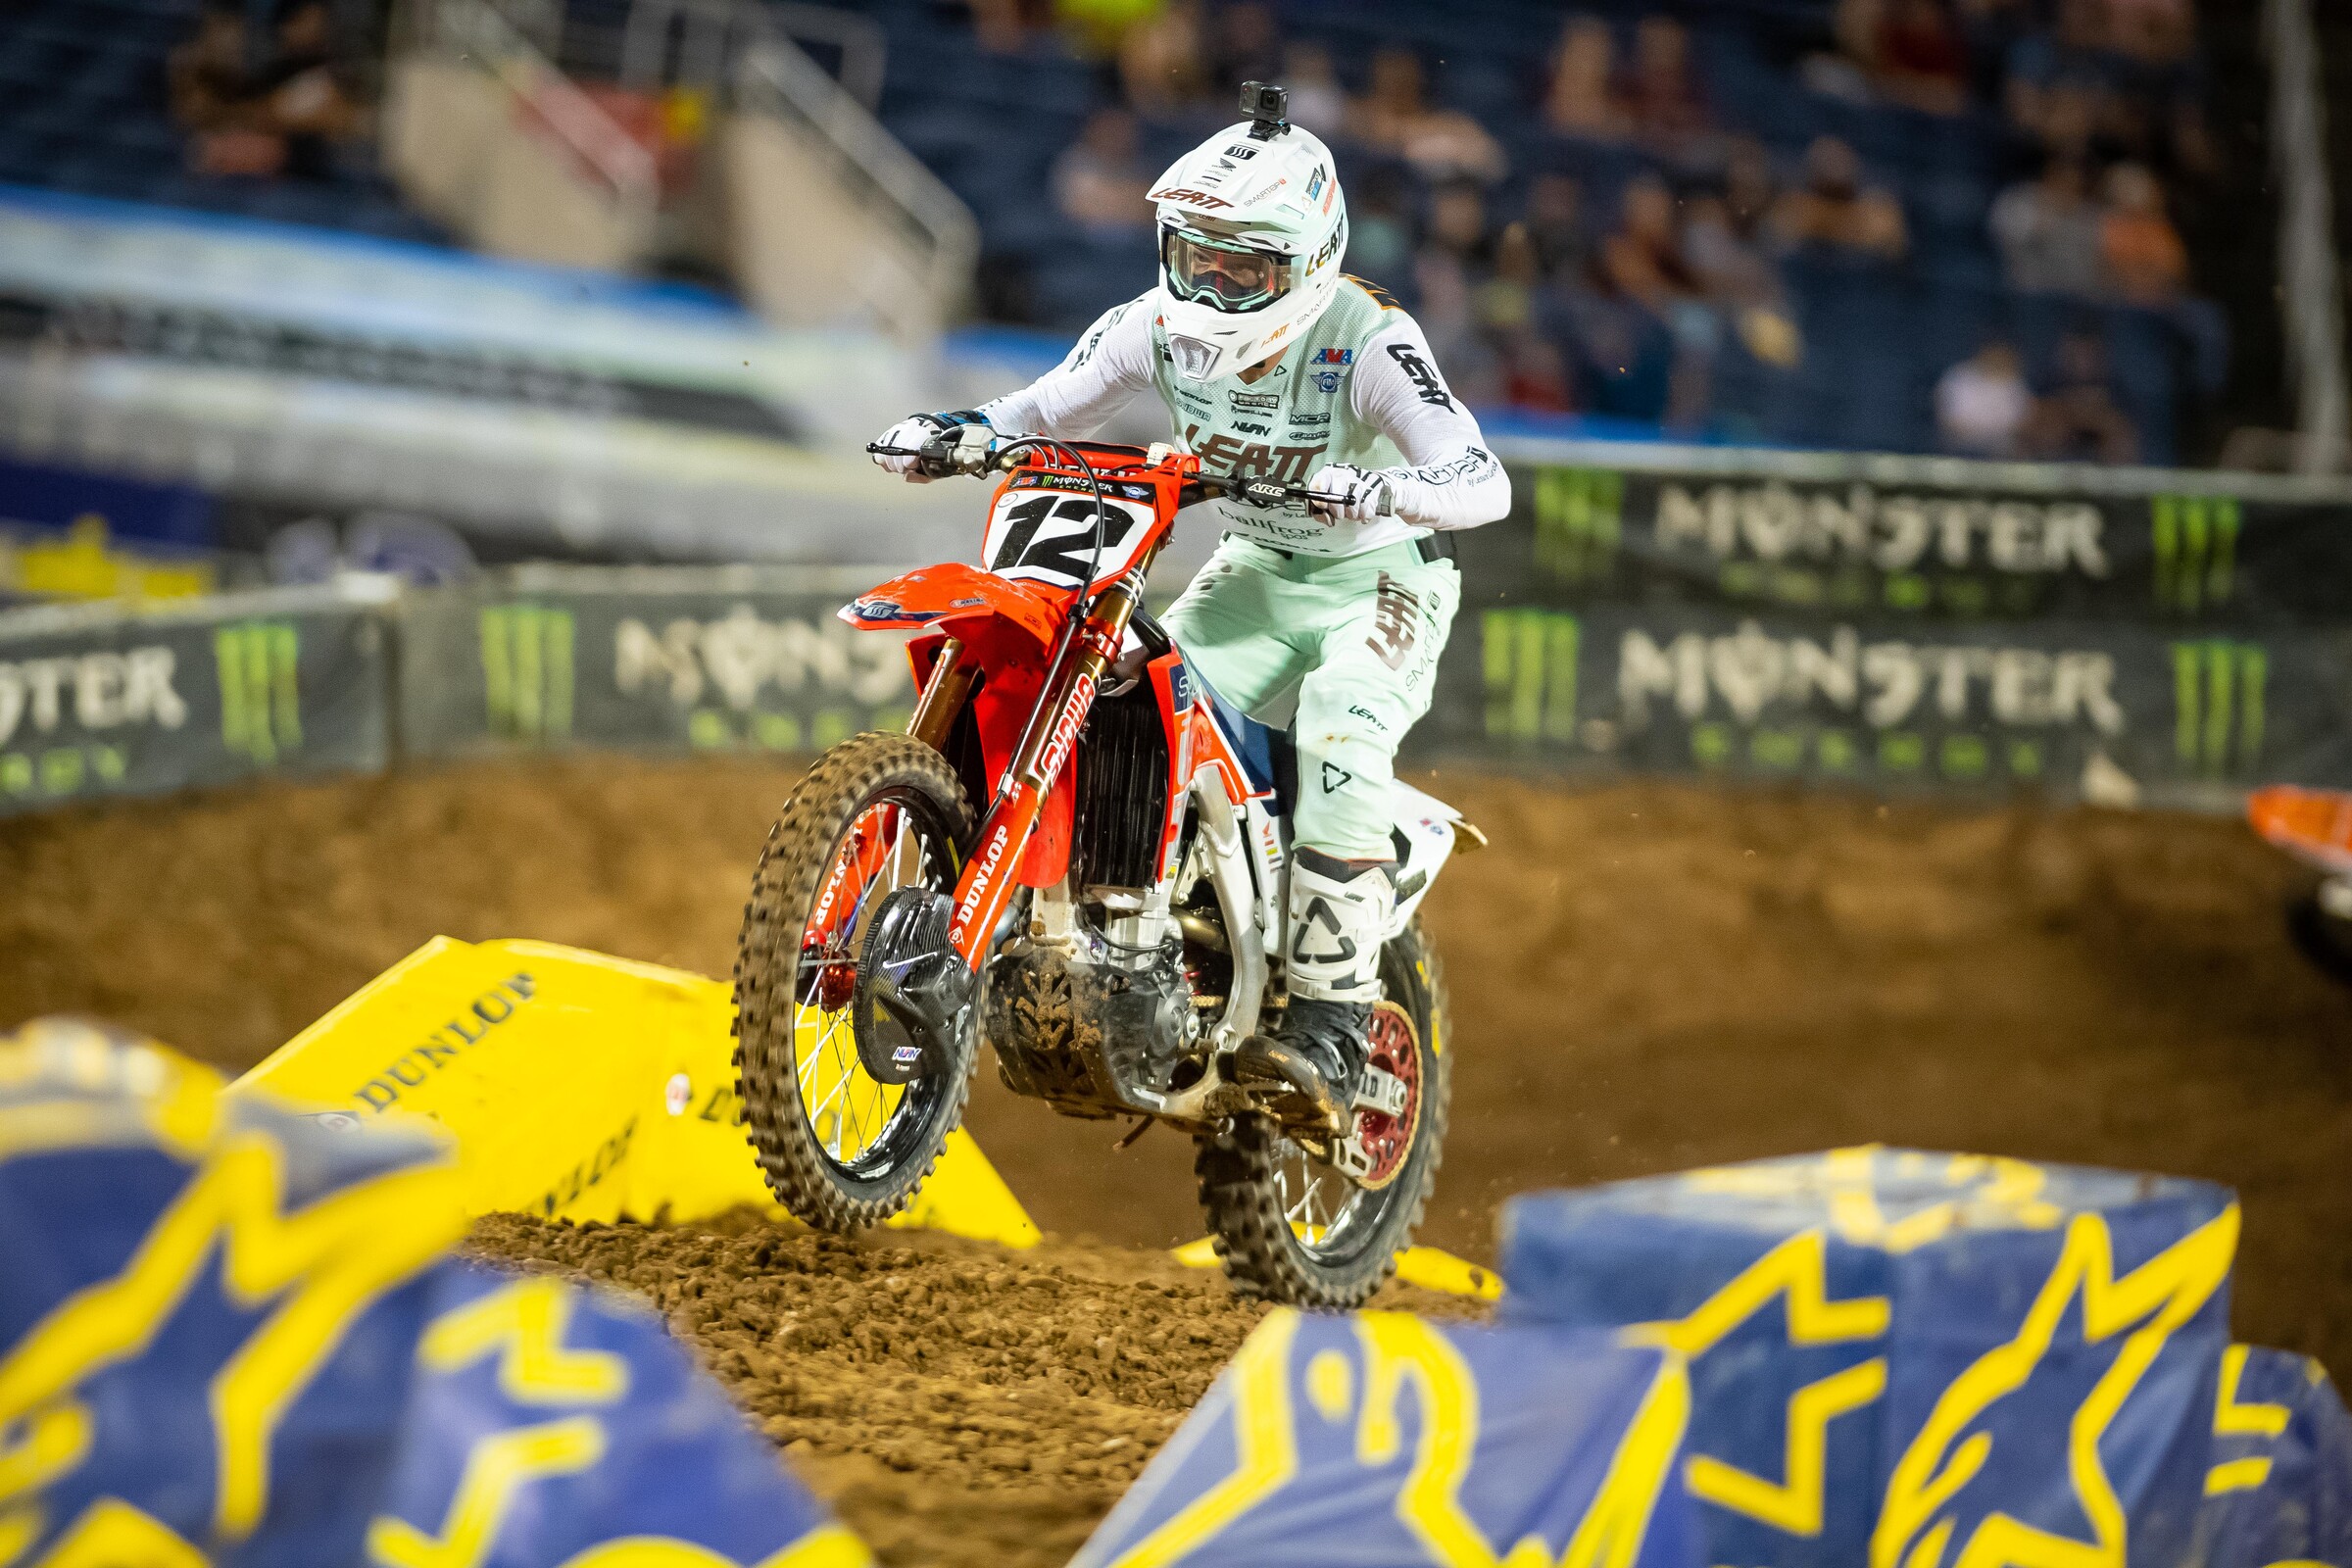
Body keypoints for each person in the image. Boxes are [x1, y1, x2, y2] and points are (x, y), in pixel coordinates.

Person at [869, 90, 1511, 1135]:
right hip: (1260, 569)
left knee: (1347, 716)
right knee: (1141, 696)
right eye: (1194, 253)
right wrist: (955, 432)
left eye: (1244, 264)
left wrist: (1388, 490)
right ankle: (1159, 940)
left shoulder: (1369, 339)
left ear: (1308, 260)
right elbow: (1039, 411)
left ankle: (1337, 1031)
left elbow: (1484, 481)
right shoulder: (1150, 326)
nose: (1212, 282)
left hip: (1381, 572)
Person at [1348, 47, 1506, 183]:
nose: (1395, 83)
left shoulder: (1449, 123)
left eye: (1403, 76)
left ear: (1419, 78)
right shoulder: (1356, 114)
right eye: (1388, 73)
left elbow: (1495, 164)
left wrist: (1446, 147)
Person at [1767, 135, 1908, 259]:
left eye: (1839, 159)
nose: (1833, 165)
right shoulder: (1794, 204)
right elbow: (1776, 243)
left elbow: (1895, 256)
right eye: (1827, 159)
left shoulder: (1878, 210)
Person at [1989, 157, 2103, 294]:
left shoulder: (2087, 215)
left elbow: (2088, 273)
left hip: (2068, 298)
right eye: (2063, 180)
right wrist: (2046, 215)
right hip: (2021, 292)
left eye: (2075, 184)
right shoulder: (2019, 200)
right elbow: (2004, 241)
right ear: (2050, 176)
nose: (2067, 189)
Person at [2024, 331, 2139, 462]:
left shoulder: (2115, 387)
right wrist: (2070, 411)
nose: (2082, 360)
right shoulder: (2049, 382)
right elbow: (2034, 422)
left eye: (2089, 354)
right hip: (2059, 452)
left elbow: (2125, 435)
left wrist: (2093, 417)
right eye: (2077, 353)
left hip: (2101, 452)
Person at [1053, 108, 1153, 233]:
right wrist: (1127, 199)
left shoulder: (1142, 166)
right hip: (1084, 238)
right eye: (1111, 129)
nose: (1117, 136)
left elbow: (1149, 210)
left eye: (1122, 130)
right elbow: (1079, 209)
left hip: (1134, 239)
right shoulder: (1075, 160)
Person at [2098, 161, 2187, 304]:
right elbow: (2111, 269)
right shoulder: (2110, 225)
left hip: (2162, 297)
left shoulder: (2159, 227)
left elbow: (2175, 268)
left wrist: (2153, 285)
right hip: (2120, 299)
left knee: (2205, 313)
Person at [1936, 340, 2034, 456]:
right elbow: (1952, 424)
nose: (1998, 358)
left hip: (2003, 454)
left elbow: (2022, 425)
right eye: (1995, 352)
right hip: (1960, 451)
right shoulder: (1959, 377)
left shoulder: (2015, 384)